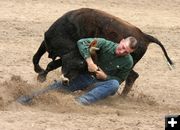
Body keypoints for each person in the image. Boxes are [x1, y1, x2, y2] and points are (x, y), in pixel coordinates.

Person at [62, 36, 138, 105]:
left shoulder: (128, 62)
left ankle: (80, 101)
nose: (122, 52)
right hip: (83, 77)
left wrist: (105, 77)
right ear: (122, 41)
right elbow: (81, 42)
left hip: (98, 86)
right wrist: (90, 62)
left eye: (126, 52)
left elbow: (119, 79)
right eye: (123, 47)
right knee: (51, 91)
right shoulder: (104, 43)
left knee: (114, 84)